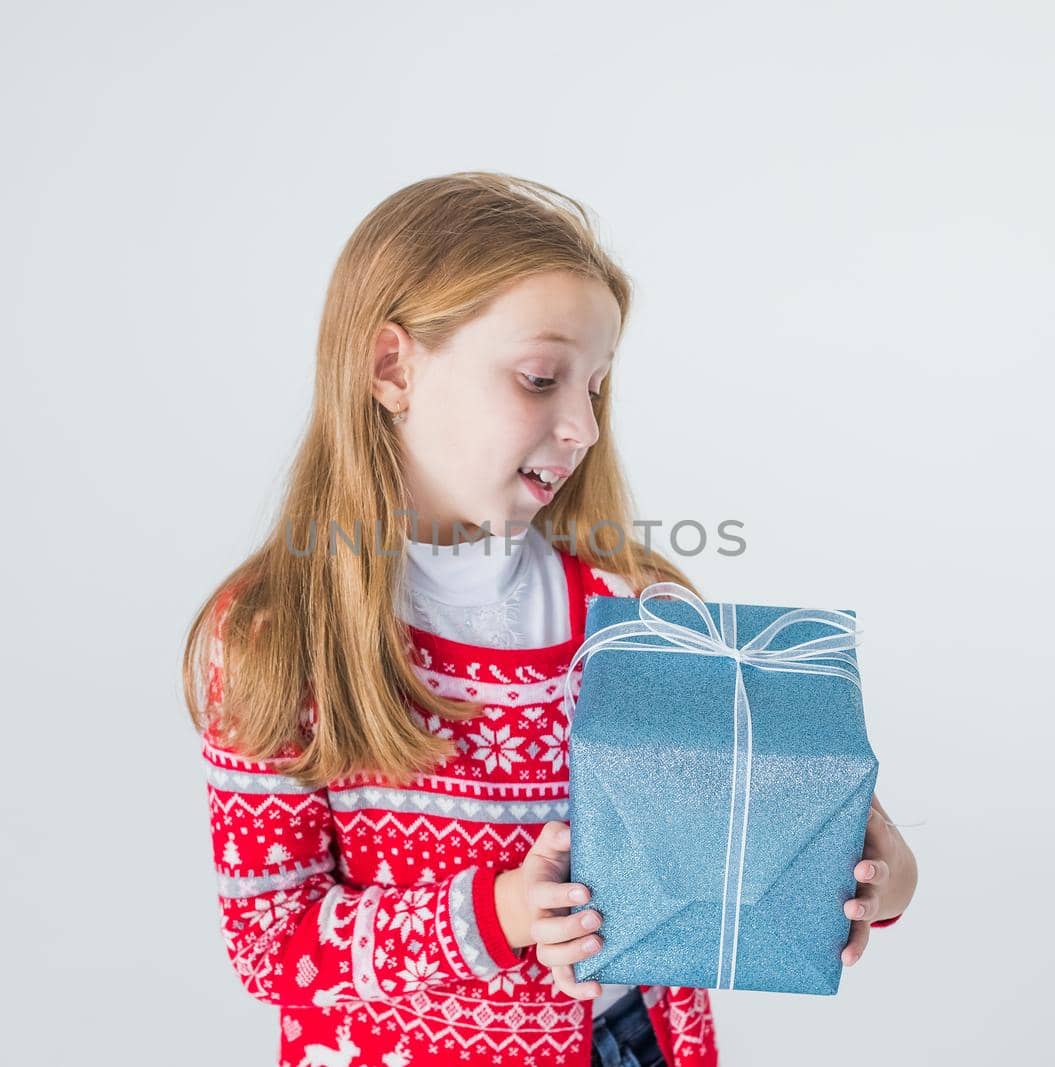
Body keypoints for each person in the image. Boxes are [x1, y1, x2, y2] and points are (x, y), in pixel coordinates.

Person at [182, 172, 918, 1067]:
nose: (583, 427)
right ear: (392, 369)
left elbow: (722, 840)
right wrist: (495, 912)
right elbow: (272, 944)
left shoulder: (641, 613)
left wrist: (856, 868)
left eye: (596, 390)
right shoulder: (274, 635)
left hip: (633, 1042)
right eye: (540, 378)